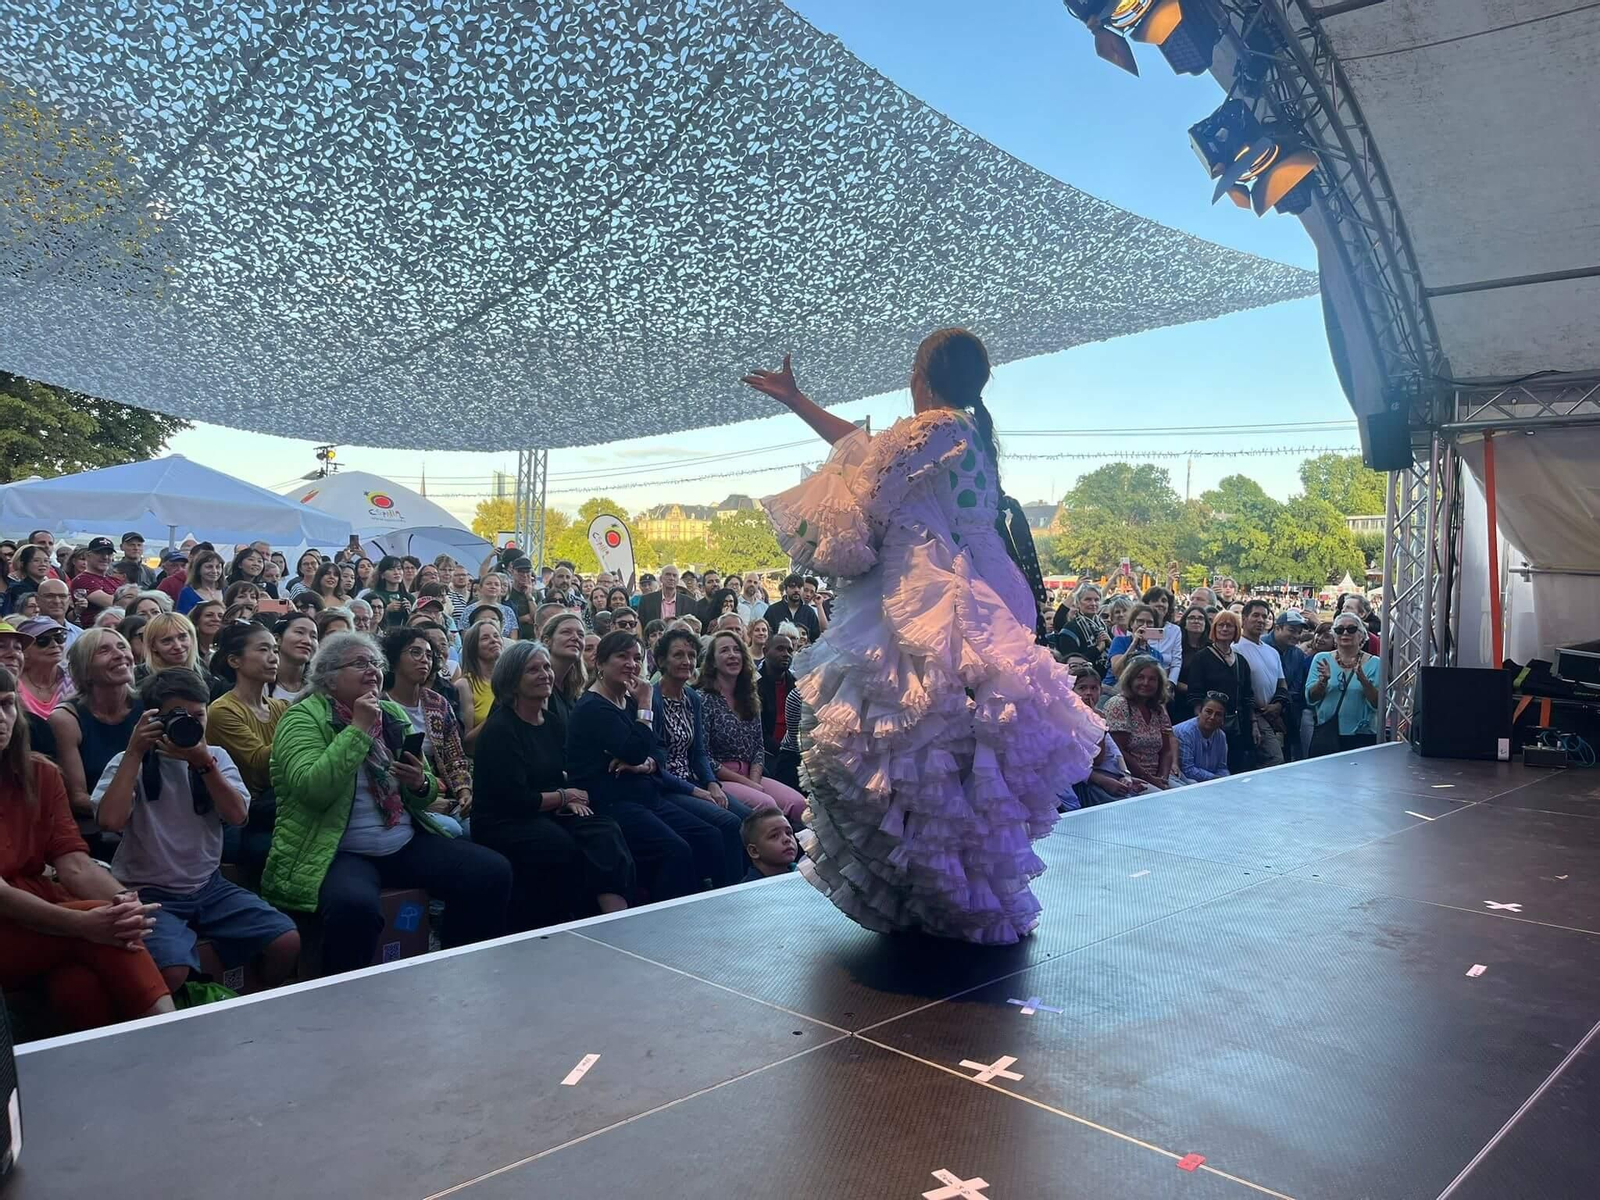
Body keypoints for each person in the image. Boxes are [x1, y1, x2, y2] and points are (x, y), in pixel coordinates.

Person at [745, 329, 1101, 942]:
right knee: (957, 753)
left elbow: (871, 498)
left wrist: (832, 527)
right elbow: (865, 447)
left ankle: (937, 896)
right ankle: (959, 895)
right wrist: (798, 401)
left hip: (930, 589)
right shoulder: (969, 432)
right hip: (978, 587)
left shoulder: (934, 427)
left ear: (920, 374)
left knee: (915, 745)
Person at [263, 633, 511, 975]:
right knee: (354, 908)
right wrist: (358, 729)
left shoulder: (391, 713)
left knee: (491, 871)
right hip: (336, 849)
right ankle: (344, 996)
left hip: (401, 842)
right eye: (360, 663)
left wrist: (419, 782)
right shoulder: (302, 719)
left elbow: (423, 792)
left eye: (376, 664)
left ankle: (459, 967)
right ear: (329, 677)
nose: (374, 671)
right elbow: (312, 790)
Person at [90, 669, 300, 994]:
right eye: (178, 717)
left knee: (285, 941)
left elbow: (238, 816)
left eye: (198, 715)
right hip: (147, 892)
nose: (190, 724)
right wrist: (134, 752)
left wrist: (203, 764)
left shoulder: (215, 757)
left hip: (209, 886)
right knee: (172, 971)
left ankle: (251, 1002)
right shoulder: (129, 761)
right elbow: (110, 822)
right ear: (153, 719)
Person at [0, 667, 177, 1032]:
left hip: (41, 911)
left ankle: (120, 1078)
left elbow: (74, 863)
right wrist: (85, 922)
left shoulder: (39, 774)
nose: (1, 719)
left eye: (6, 705)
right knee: (105, 929)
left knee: (79, 988)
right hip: (14, 920)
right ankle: (173, 1036)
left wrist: (129, 907)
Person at [472, 640, 634, 929]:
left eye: (546, 667)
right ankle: (556, 924)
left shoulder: (553, 722)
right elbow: (514, 800)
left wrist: (568, 797)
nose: (545, 674)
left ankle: (614, 920)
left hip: (545, 808)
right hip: (504, 819)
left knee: (604, 829)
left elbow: (560, 772)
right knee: (558, 845)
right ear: (512, 680)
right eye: (533, 670)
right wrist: (563, 796)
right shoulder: (501, 729)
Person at [566, 631, 733, 897]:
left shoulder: (627, 700)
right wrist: (645, 703)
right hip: (613, 801)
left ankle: (720, 901)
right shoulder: (594, 707)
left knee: (710, 835)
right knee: (675, 849)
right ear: (600, 663)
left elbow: (658, 750)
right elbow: (634, 751)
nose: (631, 664)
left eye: (636, 658)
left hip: (646, 794)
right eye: (622, 656)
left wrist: (646, 764)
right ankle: (669, 918)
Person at [49, 627, 143, 860]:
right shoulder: (66, 719)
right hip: (99, 826)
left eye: (122, 646)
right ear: (85, 670)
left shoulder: (150, 704)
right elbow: (77, 796)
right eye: (104, 650)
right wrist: (121, 810)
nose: (120, 654)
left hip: (155, 819)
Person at [695, 631, 808, 824]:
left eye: (737, 650)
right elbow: (704, 755)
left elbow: (758, 746)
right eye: (724, 650)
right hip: (721, 777)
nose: (732, 655)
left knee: (800, 805)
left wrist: (754, 780)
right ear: (712, 661)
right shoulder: (702, 699)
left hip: (752, 773)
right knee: (768, 806)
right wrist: (748, 784)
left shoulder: (749, 697)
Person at [206, 621, 286, 871]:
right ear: (234, 661)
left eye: (275, 650)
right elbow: (261, 764)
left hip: (281, 806)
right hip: (246, 816)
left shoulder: (279, 707)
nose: (273, 658)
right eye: (263, 650)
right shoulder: (222, 710)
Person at [381, 628, 472, 834]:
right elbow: (382, 771)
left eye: (429, 655)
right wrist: (425, 799)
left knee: (477, 824)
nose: (424, 659)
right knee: (453, 829)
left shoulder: (437, 703)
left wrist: (464, 792)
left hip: (445, 795)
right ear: (394, 658)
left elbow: (455, 757)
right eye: (415, 652)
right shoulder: (379, 705)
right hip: (401, 800)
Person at [1182, 610, 1256, 774]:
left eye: (1229, 625)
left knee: (1235, 766)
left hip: (1236, 725)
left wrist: (1253, 724)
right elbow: (1195, 693)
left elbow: (1247, 695)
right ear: (1214, 629)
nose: (1224, 629)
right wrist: (1202, 724)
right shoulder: (1202, 657)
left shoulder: (1241, 661)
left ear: (1236, 630)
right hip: (1210, 724)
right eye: (1220, 625)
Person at [1066, 671, 1149, 808]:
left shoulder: (1098, 714)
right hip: (1094, 783)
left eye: (1094, 688)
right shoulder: (1068, 721)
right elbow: (1097, 760)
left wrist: (1126, 775)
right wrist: (1100, 726)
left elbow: (1116, 752)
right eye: (1082, 688)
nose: (1088, 693)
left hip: (1116, 776)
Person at [1306, 612, 1382, 753]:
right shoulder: (1321, 659)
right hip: (1328, 734)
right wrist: (1322, 682)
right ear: (1334, 636)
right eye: (1339, 630)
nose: (1345, 633)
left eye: (1351, 629)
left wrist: (1364, 681)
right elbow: (1311, 698)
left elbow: (1379, 704)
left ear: (1362, 636)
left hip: (1362, 736)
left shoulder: (1375, 663)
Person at [1102, 657, 1182, 791]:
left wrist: (1163, 779)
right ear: (1130, 679)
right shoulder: (1119, 704)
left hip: (1157, 776)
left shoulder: (1158, 709)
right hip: (1128, 777)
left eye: (1152, 679)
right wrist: (1151, 780)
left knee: (1188, 796)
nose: (1146, 683)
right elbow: (1118, 751)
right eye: (1140, 677)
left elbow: (1167, 750)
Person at [1234, 600, 1289, 768]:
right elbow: (1241, 687)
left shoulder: (1272, 651)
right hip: (1254, 714)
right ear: (1244, 619)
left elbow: (1282, 683)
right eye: (1255, 615)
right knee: (1275, 758)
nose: (1260, 620)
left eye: (1264, 616)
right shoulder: (1236, 649)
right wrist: (1259, 715)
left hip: (1274, 713)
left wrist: (1278, 705)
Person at [755, 630, 802, 789]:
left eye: (790, 650)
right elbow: (757, 730)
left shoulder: (798, 684)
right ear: (765, 651)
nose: (786, 654)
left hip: (793, 749)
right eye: (780, 649)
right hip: (765, 752)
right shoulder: (753, 685)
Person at [1265, 609, 1313, 760]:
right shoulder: (1262, 646)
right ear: (1277, 627)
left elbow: (1296, 687)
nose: (1296, 636)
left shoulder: (1297, 653)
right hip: (1261, 710)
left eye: (1299, 632)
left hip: (1286, 711)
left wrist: (1281, 707)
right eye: (1291, 630)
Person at [459, 619, 502, 749]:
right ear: (473, 647)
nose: (494, 640)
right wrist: (498, 714)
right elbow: (466, 741)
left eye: (496, 636)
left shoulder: (512, 681)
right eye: (485, 638)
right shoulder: (464, 685)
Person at [1052, 582, 1110, 677]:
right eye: (1088, 599)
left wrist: (1110, 642)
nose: (1093, 603)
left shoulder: (1102, 626)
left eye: (1097, 600)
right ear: (1078, 603)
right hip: (1081, 680)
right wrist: (1098, 649)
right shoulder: (1070, 629)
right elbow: (1071, 662)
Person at [1103, 603, 1166, 686]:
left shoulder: (1156, 655)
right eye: (1140, 621)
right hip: (1112, 689)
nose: (1144, 626)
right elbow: (1117, 671)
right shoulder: (1120, 641)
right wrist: (1134, 643)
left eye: (1149, 622)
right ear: (1132, 623)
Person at [1173, 694, 1231, 782]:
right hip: (1182, 779)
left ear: (1223, 719)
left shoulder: (1221, 736)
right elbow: (1188, 770)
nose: (1212, 717)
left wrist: (1226, 779)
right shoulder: (1186, 732)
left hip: (1209, 781)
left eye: (1218, 714)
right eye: (1208, 712)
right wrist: (1214, 778)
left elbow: (1222, 767)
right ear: (1199, 712)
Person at [542, 612, 588, 721]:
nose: (576, 638)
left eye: (581, 635)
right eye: (566, 632)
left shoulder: (572, 691)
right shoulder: (537, 683)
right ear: (547, 641)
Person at [270, 611, 319, 701]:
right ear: (277, 639)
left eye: (313, 636)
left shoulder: (319, 688)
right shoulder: (259, 684)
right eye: (299, 632)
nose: (307, 641)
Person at [760, 574, 821, 645]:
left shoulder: (809, 612)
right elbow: (767, 636)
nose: (796, 590)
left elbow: (816, 638)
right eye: (792, 586)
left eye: (799, 587)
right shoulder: (773, 610)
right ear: (786, 589)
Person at [740, 809, 798, 882]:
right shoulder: (748, 889)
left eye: (788, 833)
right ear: (754, 851)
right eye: (774, 836)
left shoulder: (805, 872)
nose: (787, 839)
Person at [177, 550, 226, 616]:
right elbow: (182, 619)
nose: (214, 571)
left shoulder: (226, 591)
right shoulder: (187, 593)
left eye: (218, 567)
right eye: (209, 567)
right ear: (198, 569)